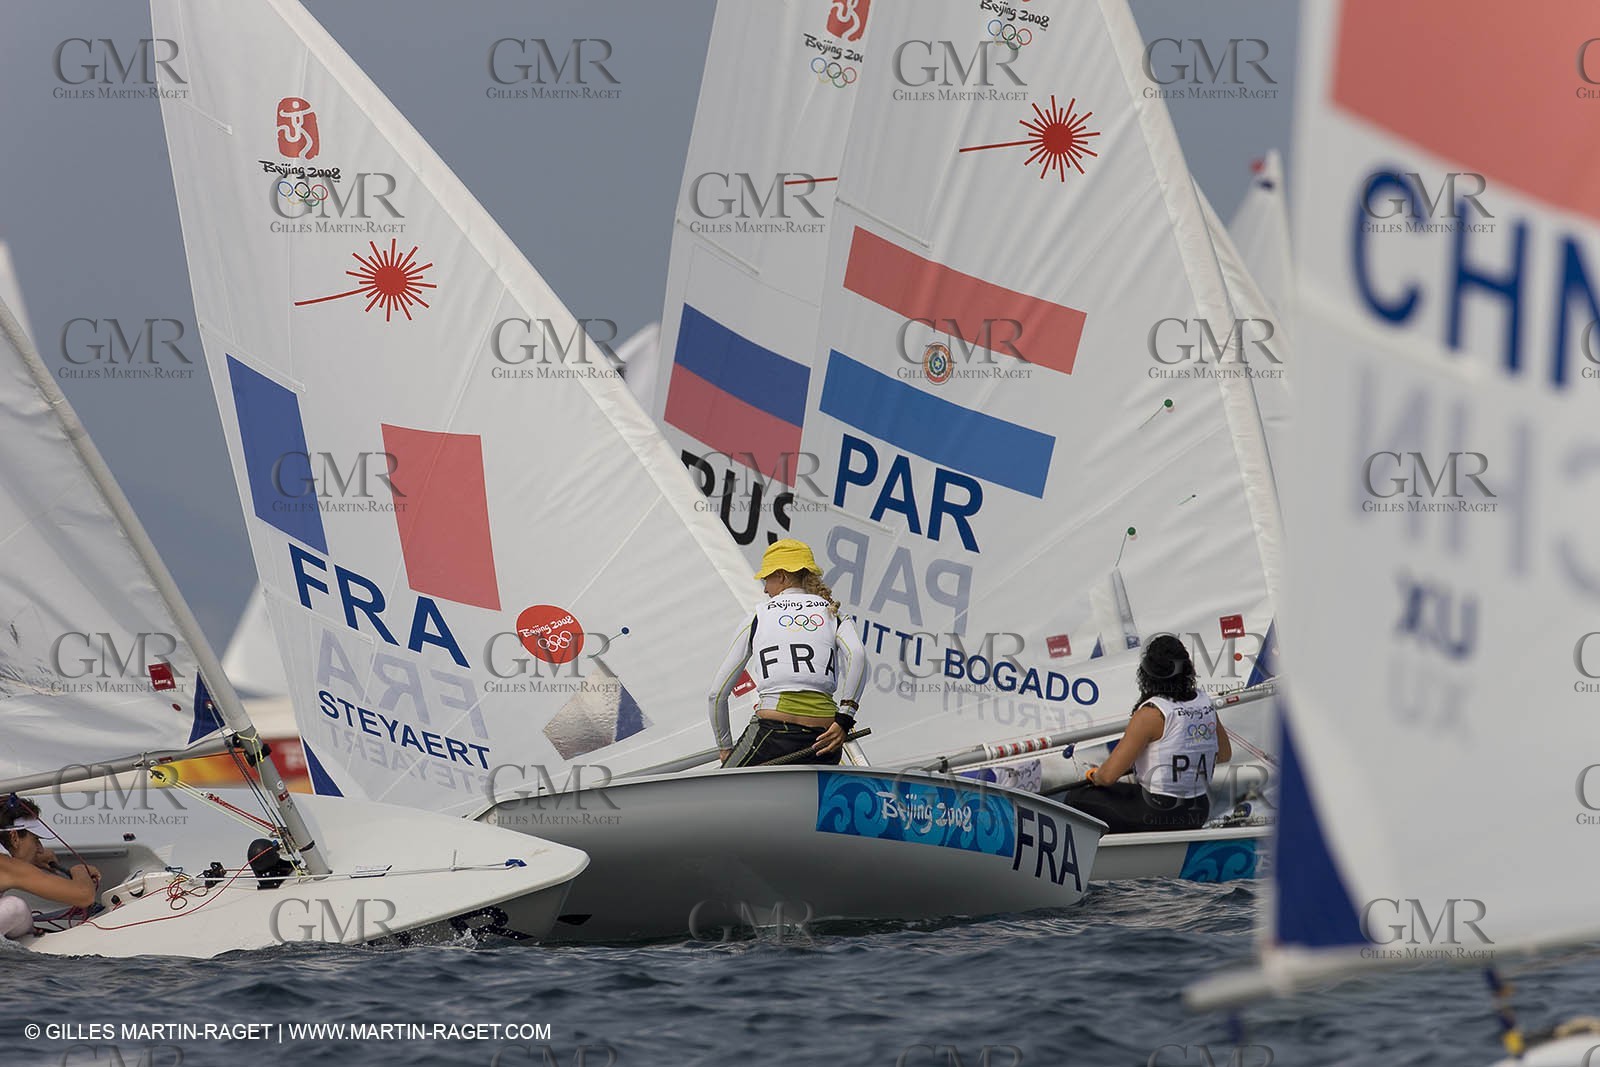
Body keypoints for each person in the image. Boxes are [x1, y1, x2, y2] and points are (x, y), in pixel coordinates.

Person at [709, 539, 867, 767]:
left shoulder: (758, 617)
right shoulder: (834, 613)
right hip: (826, 738)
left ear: (781, 576)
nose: (765, 589)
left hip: (773, 735)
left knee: (721, 786)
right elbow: (858, 656)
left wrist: (725, 748)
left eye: (766, 579)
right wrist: (844, 718)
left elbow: (716, 695)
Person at [1064, 634, 1231, 833]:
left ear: (1148, 673)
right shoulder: (1205, 704)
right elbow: (1224, 755)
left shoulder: (1152, 713)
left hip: (1159, 812)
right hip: (1199, 810)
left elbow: (1107, 777)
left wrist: (1094, 775)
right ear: (1187, 669)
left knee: (1076, 798)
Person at [0, 826, 101, 939]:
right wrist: (80, 870)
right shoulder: (7, 866)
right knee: (15, 907)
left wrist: (29, 859)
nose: (40, 849)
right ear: (14, 837)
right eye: (36, 840)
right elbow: (84, 896)